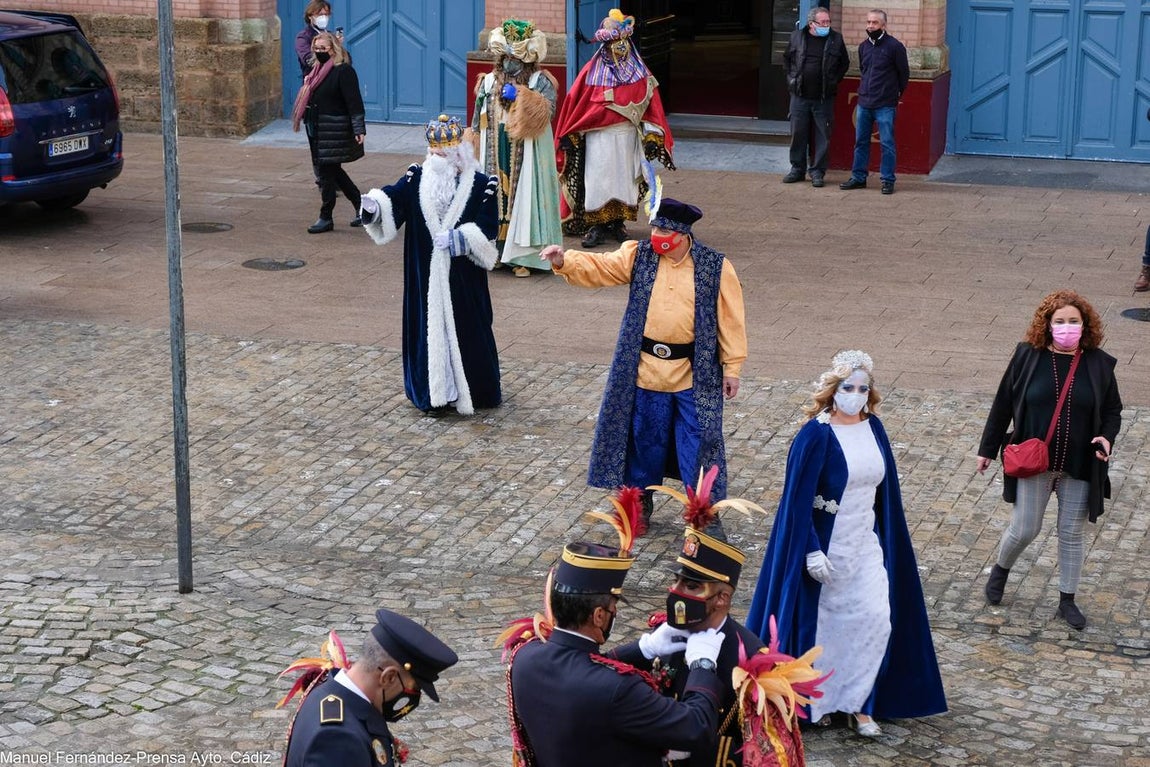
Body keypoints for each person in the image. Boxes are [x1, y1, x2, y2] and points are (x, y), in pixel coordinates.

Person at [746, 350, 946, 737]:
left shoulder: (875, 428)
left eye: (862, 388)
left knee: (875, 619)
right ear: (833, 390)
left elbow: (885, 494)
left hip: (865, 545)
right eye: (848, 387)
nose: (855, 394)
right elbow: (796, 502)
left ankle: (860, 702)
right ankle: (817, 700)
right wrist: (810, 548)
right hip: (827, 548)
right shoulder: (815, 435)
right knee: (825, 627)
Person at [539, 198, 747, 524]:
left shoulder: (715, 267)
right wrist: (566, 260)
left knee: (698, 443)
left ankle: (703, 514)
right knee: (643, 441)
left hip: (693, 373)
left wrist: (732, 367)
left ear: (681, 233)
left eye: (663, 229)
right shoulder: (640, 256)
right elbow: (603, 267)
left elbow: (731, 320)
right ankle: (637, 505)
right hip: (645, 369)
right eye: (654, 226)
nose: (656, 234)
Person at [503, 491, 728, 767]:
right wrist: (703, 664)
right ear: (598, 616)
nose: (615, 612)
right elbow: (696, 726)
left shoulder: (524, 658)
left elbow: (579, 668)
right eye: (613, 606)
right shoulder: (620, 690)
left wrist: (644, 648)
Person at [609, 477, 823, 766]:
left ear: (722, 598)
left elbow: (769, 754)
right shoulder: (667, 636)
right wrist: (644, 649)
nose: (677, 592)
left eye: (691, 586)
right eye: (677, 581)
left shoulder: (755, 665)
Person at [976, 290, 1122, 630]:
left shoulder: (1099, 364)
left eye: (1074, 321)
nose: (1067, 327)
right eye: (1060, 321)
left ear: (1085, 326)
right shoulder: (1028, 357)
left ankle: (1066, 601)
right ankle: (1000, 570)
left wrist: (1106, 437)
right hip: (1033, 460)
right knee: (1026, 526)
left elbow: (1113, 410)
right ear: (1047, 324)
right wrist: (987, 449)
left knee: (1071, 532)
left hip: (1080, 463)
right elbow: (1003, 404)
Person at [359, 115, 502, 416]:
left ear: (458, 153)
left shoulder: (482, 185)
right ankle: (434, 395)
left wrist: (459, 239)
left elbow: (488, 231)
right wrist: (374, 206)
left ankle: (474, 390)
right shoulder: (417, 178)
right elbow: (393, 201)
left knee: (468, 331)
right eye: (433, 153)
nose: (437, 160)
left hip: (463, 282)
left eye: (443, 154)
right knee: (429, 332)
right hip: (425, 279)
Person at [554, 8, 674, 248]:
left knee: (624, 181)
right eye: (613, 44)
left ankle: (617, 223)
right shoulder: (591, 73)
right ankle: (595, 226)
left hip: (627, 136)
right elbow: (575, 108)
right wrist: (571, 134)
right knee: (598, 179)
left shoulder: (640, 73)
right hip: (599, 138)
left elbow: (652, 107)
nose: (619, 49)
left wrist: (652, 136)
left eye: (622, 44)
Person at [280, 609, 458, 767]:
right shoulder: (339, 738)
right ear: (388, 677)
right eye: (414, 687)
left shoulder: (330, 689)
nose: (413, 696)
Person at [472, 18, 562, 278]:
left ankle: (523, 256)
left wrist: (523, 97)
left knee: (522, 199)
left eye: (517, 57)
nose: (512, 63)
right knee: (494, 195)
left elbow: (548, 111)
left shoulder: (539, 80)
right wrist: (473, 141)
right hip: (494, 145)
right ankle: (496, 252)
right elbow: (478, 117)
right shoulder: (488, 81)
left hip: (526, 149)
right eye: (507, 56)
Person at [291, 31, 365, 235]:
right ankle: (363, 207)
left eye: (323, 48)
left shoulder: (343, 71)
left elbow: (354, 102)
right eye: (316, 48)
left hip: (334, 129)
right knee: (333, 171)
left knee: (326, 173)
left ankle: (326, 216)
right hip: (316, 127)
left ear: (333, 49)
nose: (319, 51)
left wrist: (359, 128)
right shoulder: (316, 70)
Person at [839, 9, 909, 195]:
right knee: (860, 142)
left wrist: (894, 96)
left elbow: (904, 75)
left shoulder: (895, 47)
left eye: (875, 23)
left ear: (883, 25)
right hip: (864, 103)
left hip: (885, 104)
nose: (870, 26)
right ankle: (858, 177)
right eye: (868, 22)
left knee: (887, 143)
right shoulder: (863, 47)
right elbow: (864, 70)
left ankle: (887, 180)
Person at [782, 6, 851, 188]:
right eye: (823, 22)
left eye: (828, 22)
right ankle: (797, 169)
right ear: (811, 24)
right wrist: (791, 80)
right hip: (799, 96)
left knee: (823, 135)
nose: (826, 25)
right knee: (798, 133)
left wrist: (833, 81)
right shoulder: (797, 37)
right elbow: (787, 59)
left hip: (823, 98)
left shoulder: (836, 39)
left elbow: (844, 63)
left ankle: (817, 172)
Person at [294, 0, 332, 78]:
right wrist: (331, 53)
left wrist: (337, 45)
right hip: (315, 80)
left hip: (333, 79)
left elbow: (344, 59)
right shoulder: (303, 37)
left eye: (326, 14)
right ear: (310, 16)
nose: (324, 17)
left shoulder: (331, 35)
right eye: (320, 14)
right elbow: (309, 60)